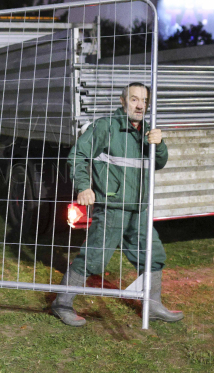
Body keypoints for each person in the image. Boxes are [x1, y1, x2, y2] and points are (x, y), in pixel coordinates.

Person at [51, 82, 182, 326]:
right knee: (93, 260)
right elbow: (78, 155)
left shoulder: (148, 131)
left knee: (154, 256)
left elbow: (158, 163)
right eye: (134, 99)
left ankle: (152, 307)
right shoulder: (106, 127)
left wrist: (159, 145)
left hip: (139, 209)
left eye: (144, 101)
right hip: (112, 209)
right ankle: (61, 304)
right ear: (123, 101)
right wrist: (84, 186)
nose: (140, 105)